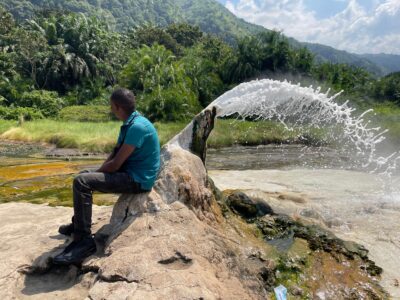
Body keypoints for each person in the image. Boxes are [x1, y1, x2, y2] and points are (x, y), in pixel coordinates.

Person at [53, 88, 160, 265]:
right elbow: (115, 154)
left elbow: (116, 164)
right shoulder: (129, 122)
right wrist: (97, 172)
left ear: (118, 107)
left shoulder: (138, 127)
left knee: (82, 182)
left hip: (137, 180)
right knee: (83, 176)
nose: (111, 109)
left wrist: (100, 172)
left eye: (111, 106)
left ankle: (84, 241)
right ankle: (79, 224)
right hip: (128, 172)